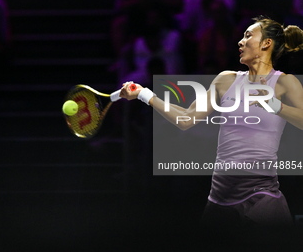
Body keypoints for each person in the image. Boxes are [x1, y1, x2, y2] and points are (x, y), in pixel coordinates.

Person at [119, 15, 303, 241]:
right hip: (220, 197)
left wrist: (275, 105)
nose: (240, 42)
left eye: (248, 36)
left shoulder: (284, 82)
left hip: (261, 194)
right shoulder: (226, 80)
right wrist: (144, 94)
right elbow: (186, 119)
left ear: (266, 44)